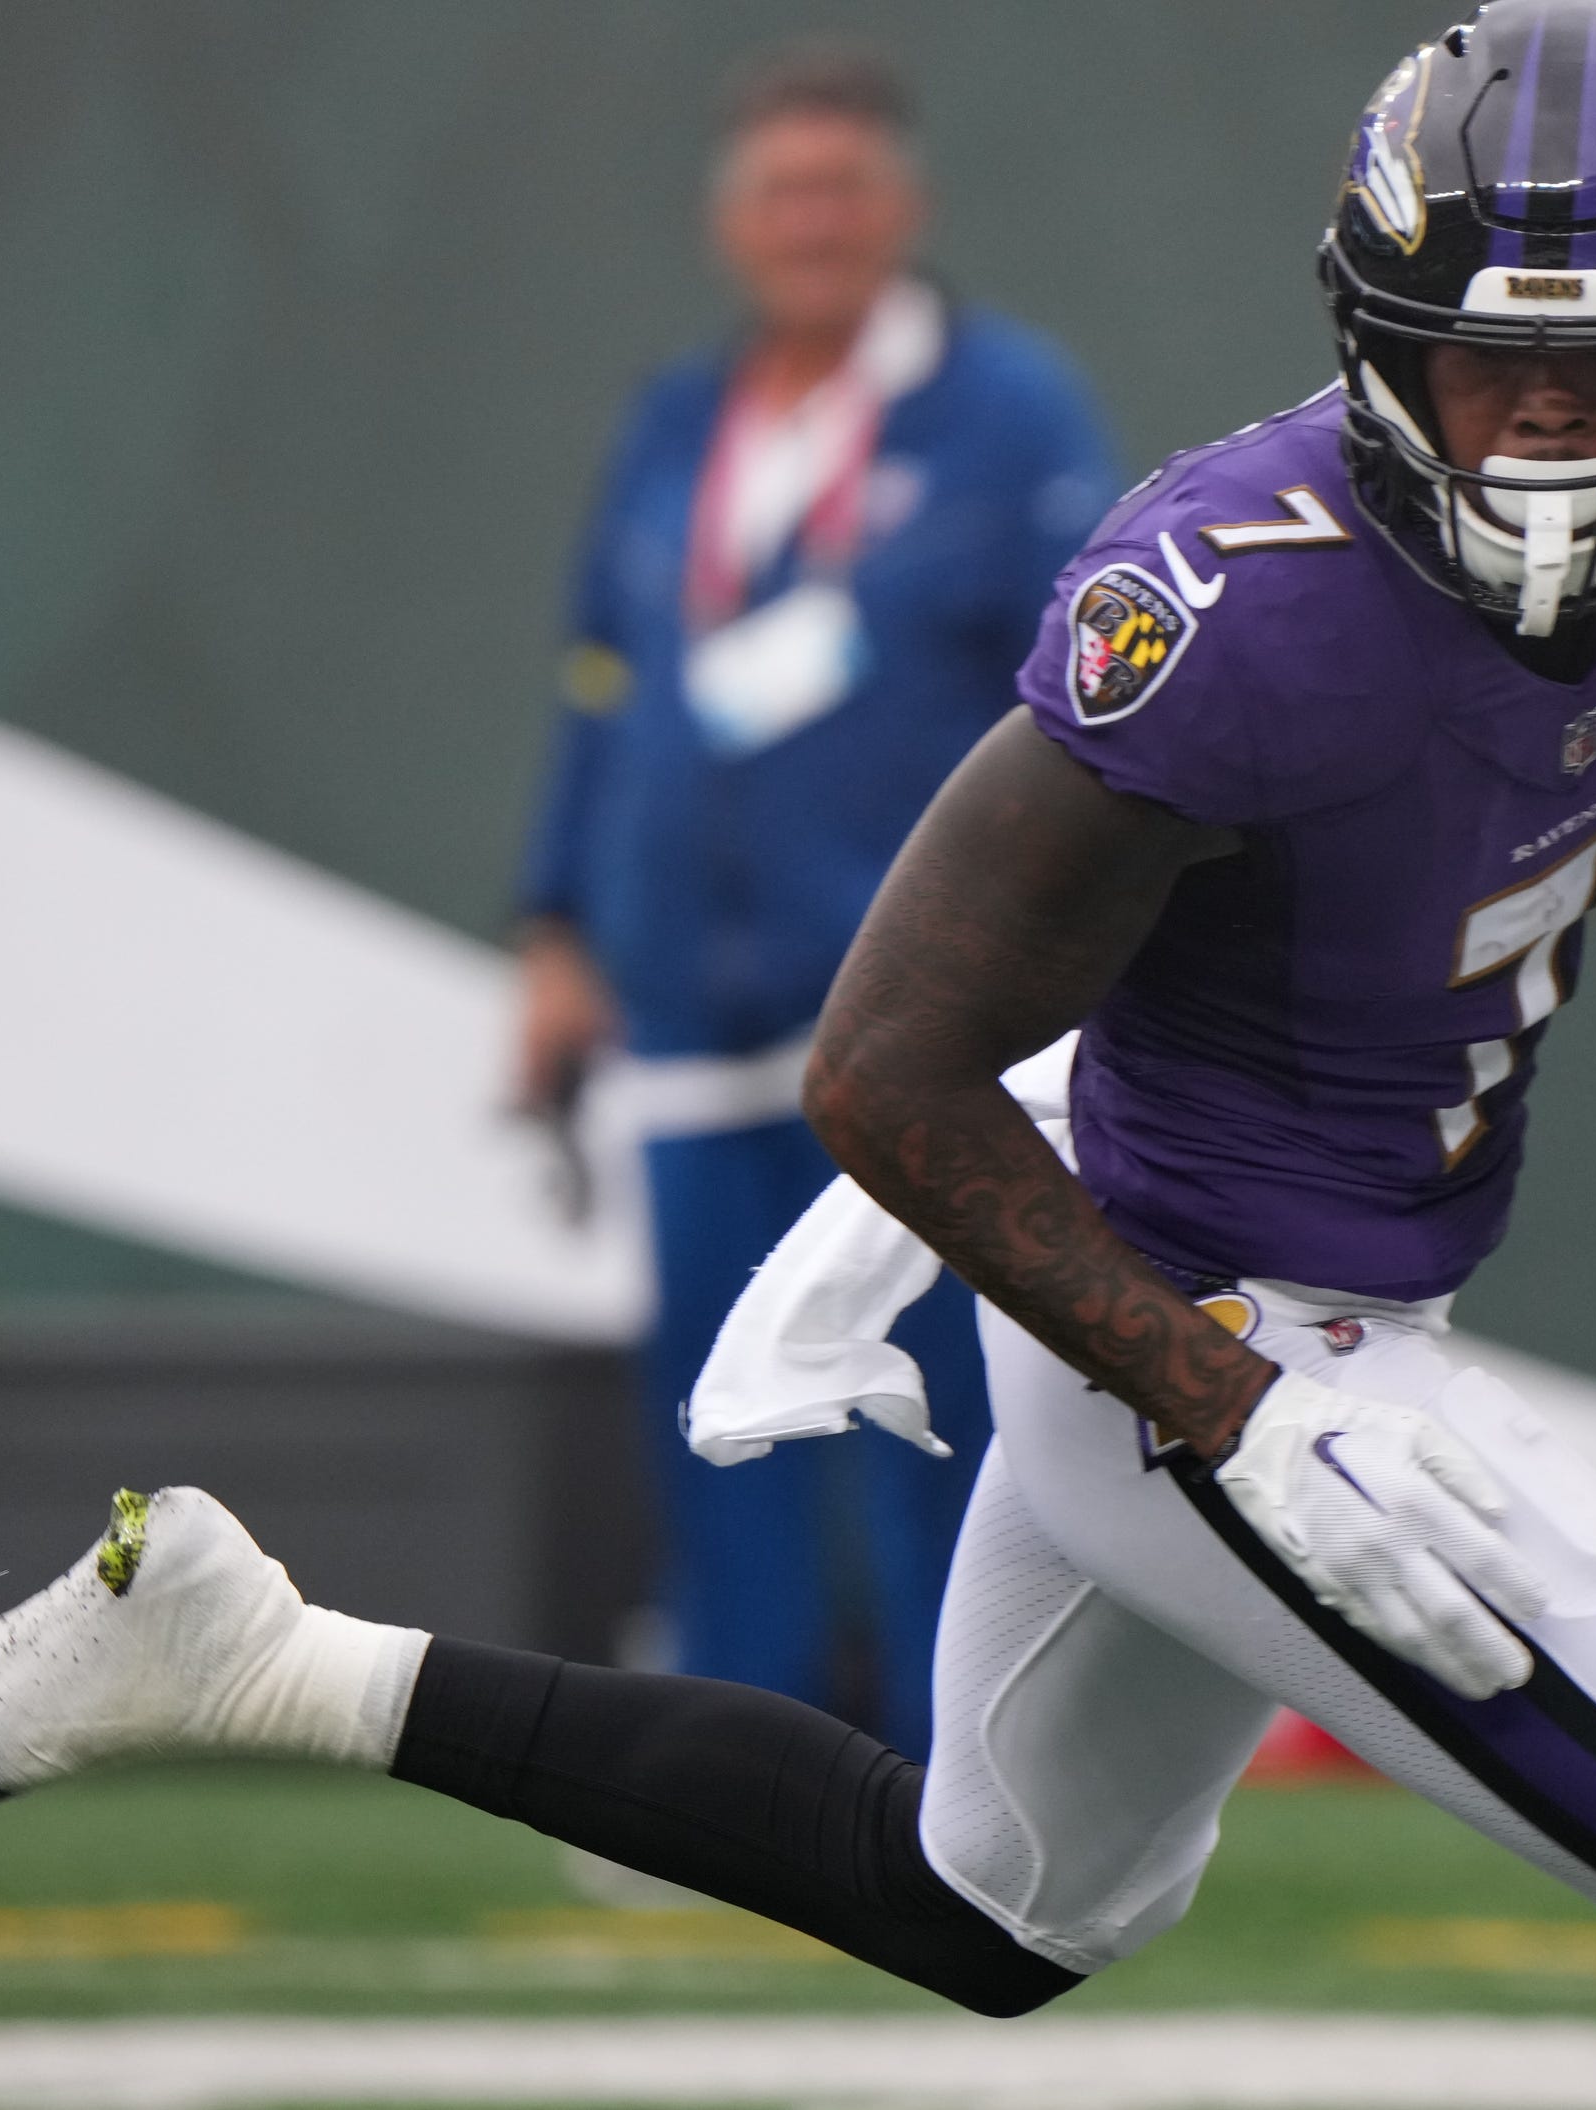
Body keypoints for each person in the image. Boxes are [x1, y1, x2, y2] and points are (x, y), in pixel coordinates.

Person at [0, 11, 1596, 2103]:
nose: (1541, 430)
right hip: (1188, 1318)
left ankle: (250, 1655)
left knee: (990, 1906)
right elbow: (881, 1068)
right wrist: (1236, 1406)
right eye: (1486, 364)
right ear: (1377, 334)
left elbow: (1586, 849)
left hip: (1335, 1300)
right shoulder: (1236, 608)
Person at [511, 46, 1115, 1747]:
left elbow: (1083, 694)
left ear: (902, 208)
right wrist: (553, 928)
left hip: (921, 1022)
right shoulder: (676, 421)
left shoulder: (1005, 412)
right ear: (732, 224)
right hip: (690, 1020)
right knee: (724, 1415)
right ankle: (730, 1779)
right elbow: (600, 680)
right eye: (783, 194)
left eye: (842, 189)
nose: (814, 225)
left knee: (937, 1414)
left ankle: (958, 1782)